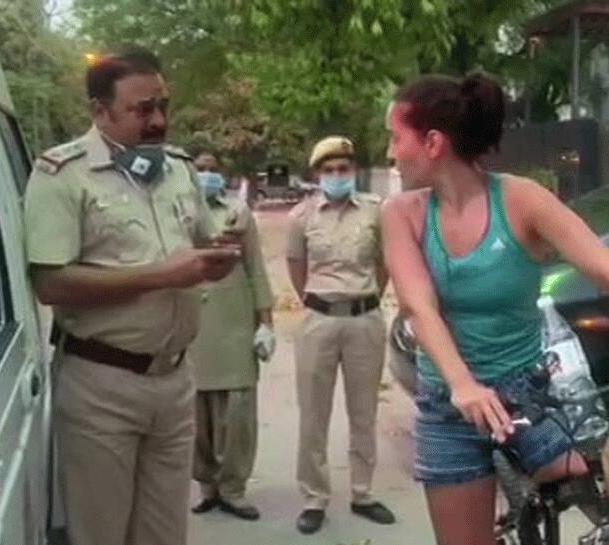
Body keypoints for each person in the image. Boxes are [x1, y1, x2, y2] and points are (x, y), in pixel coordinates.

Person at [383, 72, 609, 545]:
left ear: (433, 142)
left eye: (395, 138)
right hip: (451, 405)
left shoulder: (521, 200)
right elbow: (419, 307)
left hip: (533, 392)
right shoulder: (402, 214)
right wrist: (463, 385)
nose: (389, 152)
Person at [23, 47, 240, 545]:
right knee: (100, 533)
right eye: (142, 110)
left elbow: (202, 242)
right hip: (102, 385)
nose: (159, 120)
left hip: (175, 378)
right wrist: (160, 276)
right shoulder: (62, 174)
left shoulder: (178, 167)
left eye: (163, 105)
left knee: (165, 534)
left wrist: (217, 255)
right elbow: (51, 283)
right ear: (100, 111)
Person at [286, 136, 395, 534]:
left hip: (364, 319)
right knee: (313, 413)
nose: (336, 176)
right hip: (319, 319)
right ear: (317, 175)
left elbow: (384, 263)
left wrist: (366, 298)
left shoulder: (374, 212)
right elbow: (296, 265)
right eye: (329, 170)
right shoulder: (301, 216)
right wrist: (317, 301)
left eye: (343, 169)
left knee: (364, 412)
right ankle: (314, 497)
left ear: (353, 171)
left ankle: (363, 492)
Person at [188, 153, 276, 520]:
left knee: (237, 416)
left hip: (235, 325)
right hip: (193, 326)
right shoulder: (178, 211)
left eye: (212, 168)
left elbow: (255, 268)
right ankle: (207, 487)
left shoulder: (239, 212)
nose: (207, 174)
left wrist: (266, 323)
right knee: (198, 416)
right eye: (200, 168)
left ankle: (234, 489)